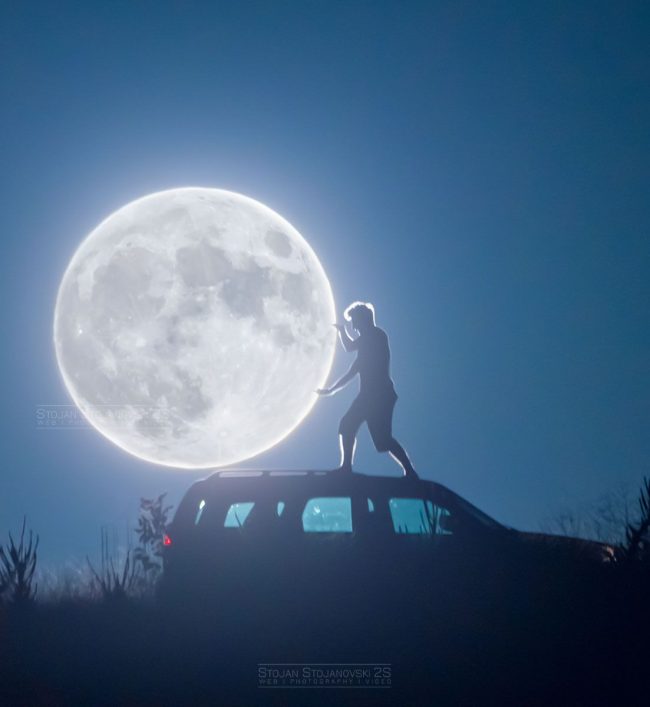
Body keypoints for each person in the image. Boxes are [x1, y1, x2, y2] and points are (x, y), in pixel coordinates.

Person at [316, 302, 418, 479]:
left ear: (363, 319)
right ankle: (346, 467)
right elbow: (352, 369)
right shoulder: (366, 344)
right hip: (368, 396)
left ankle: (409, 471)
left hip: (380, 395)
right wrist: (331, 390)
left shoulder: (376, 336)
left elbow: (350, 348)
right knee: (348, 425)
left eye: (354, 321)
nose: (353, 326)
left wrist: (341, 331)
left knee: (383, 440)